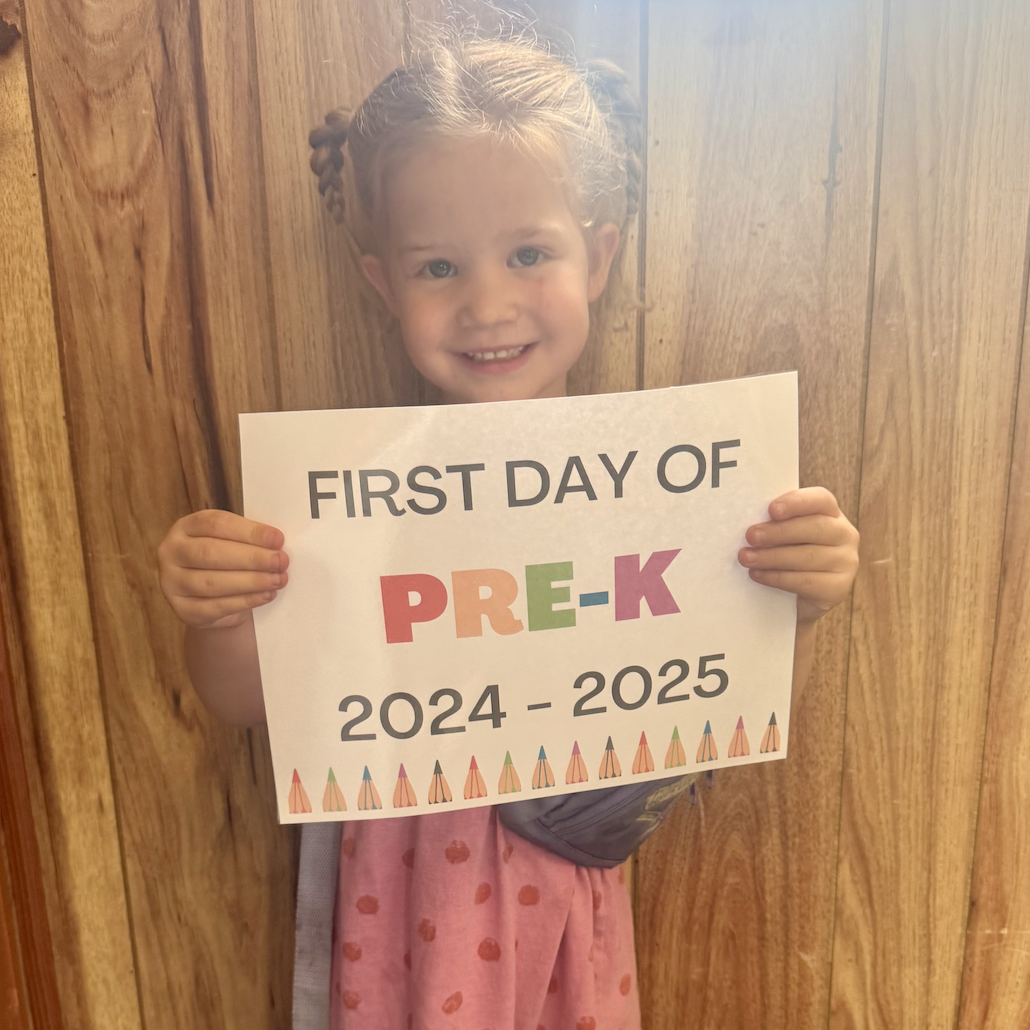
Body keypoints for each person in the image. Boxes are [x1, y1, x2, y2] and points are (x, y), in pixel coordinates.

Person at [157, 25, 860, 1030]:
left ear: (599, 256)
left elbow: (717, 692)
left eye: (527, 253)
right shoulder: (345, 499)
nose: (487, 303)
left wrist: (799, 594)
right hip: (404, 886)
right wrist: (221, 609)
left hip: (570, 870)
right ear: (381, 284)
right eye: (437, 267)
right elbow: (244, 699)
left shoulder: (665, 483)